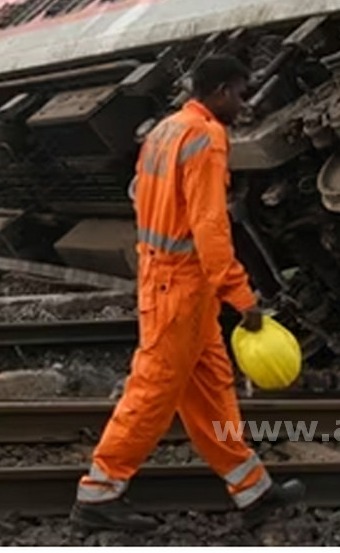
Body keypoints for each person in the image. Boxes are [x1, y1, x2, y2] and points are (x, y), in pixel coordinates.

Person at [71, 55, 304, 532]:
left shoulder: (164, 130)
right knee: (153, 391)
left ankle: (253, 491)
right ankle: (96, 496)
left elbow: (139, 193)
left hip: (172, 282)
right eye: (239, 94)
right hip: (180, 285)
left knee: (212, 390)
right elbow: (210, 227)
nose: (243, 104)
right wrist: (243, 298)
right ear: (218, 91)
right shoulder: (207, 138)